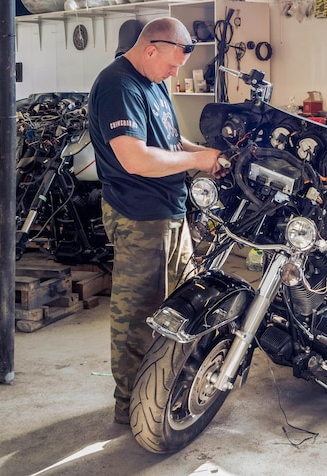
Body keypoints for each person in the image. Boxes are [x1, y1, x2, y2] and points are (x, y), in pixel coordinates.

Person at [88, 17, 226, 425]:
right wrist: (198, 161)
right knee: (138, 318)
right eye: (172, 64)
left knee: (175, 309)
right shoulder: (119, 85)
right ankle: (129, 406)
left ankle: (163, 391)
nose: (175, 72)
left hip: (170, 210)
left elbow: (168, 142)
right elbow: (136, 158)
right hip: (139, 216)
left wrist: (208, 155)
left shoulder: (154, 81)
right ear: (151, 49)